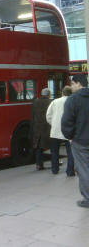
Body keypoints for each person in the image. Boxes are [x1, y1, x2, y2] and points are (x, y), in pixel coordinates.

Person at [61, 74, 89, 208]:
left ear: (78, 83)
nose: (71, 87)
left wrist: (70, 136)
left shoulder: (72, 100)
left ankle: (88, 198)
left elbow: (66, 122)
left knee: (83, 169)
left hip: (80, 141)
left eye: (72, 84)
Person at [46, 86, 74, 176]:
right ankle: (70, 171)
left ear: (62, 93)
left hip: (55, 131)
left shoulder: (54, 102)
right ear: (71, 93)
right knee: (70, 152)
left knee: (54, 151)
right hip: (69, 131)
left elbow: (48, 115)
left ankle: (55, 169)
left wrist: (53, 124)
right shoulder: (72, 101)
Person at [30, 88, 52, 170]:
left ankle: (39, 164)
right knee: (52, 146)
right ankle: (54, 163)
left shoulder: (35, 102)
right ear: (48, 94)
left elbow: (32, 116)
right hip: (47, 128)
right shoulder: (50, 102)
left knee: (38, 147)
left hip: (37, 128)